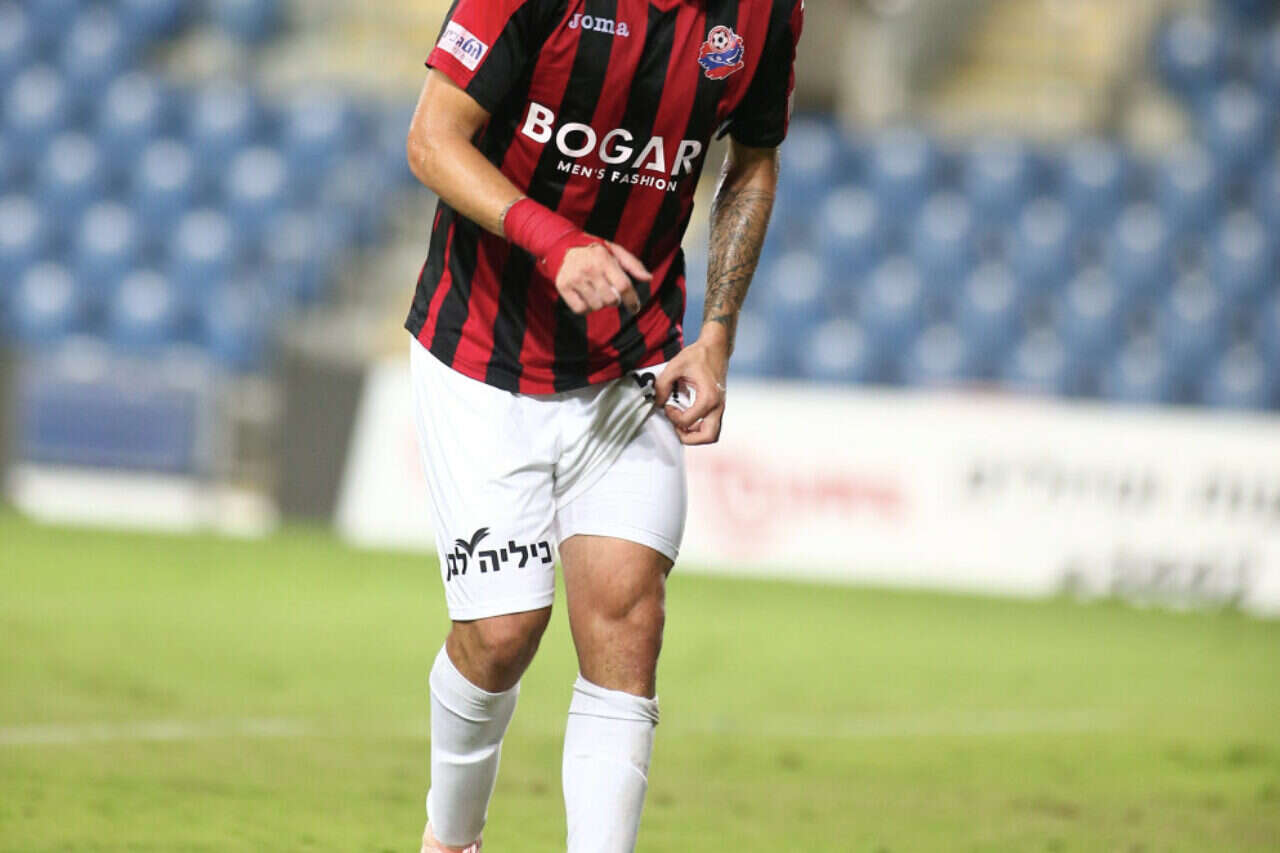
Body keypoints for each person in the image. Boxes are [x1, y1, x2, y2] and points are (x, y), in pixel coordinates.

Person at [404, 1, 802, 850]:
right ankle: (451, 837)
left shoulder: (766, 12)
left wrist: (718, 334)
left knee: (627, 622)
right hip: (480, 353)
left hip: (628, 360)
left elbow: (752, 160)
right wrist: (554, 242)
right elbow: (432, 139)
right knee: (501, 635)